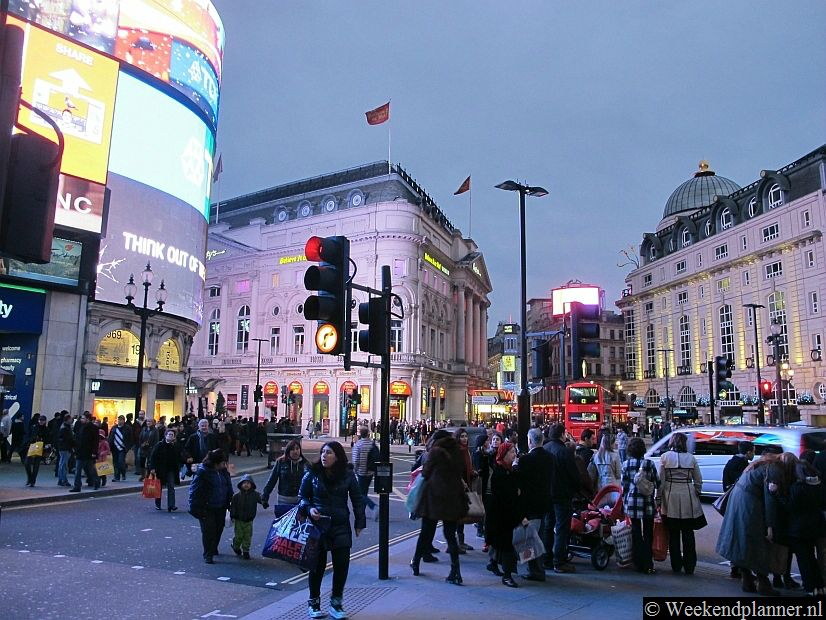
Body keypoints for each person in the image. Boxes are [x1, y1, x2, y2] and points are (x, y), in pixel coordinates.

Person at [299, 441, 365, 619]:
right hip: (318, 526)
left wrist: (360, 522)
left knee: (341, 565)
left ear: (337, 456)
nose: (324, 456)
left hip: (340, 525)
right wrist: (309, 508)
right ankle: (313, 603)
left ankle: (336, 604)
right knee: (317, 567)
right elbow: (303, 497)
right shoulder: (312, 473)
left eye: (328, 452)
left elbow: (358, 499)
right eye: (322, 452)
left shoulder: (348, 475)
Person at [717, 452, 794, 595]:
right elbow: (770, 500)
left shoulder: (762, 463)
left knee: (741, 541)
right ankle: (763, 583)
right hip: (750, 505)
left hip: (738, 502)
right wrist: (770, 526)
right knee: (756, 543)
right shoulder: (775, 470)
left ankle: (747, 580)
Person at [410, 429, 468, 586]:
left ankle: (415, 562)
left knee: (426, 532)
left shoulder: (435, 452)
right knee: (450, 535)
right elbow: (461, 471)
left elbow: (426, 473)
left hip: (434, 498)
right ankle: (455, 571)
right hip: (453, 498)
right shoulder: (458, 451)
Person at [659, 432, 704, 575]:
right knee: (688, 533)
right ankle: (690, 565)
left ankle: (676, 564)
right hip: (687, 495)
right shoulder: (691, 458)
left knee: (673, 534)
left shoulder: (665, 457)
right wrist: (696, 491)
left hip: (670, 495)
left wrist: (658, 499)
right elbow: (698, 479)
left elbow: (661, 481)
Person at [783, 454, 826, 596]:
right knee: (812, 557)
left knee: (804, 559)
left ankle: (810, 587)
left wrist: (777, 494)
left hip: (799, 528)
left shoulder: (797, 487)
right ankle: (819, 586)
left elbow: (790, 507)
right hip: (816, 525)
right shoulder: (820, 485)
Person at [514, 427, 553, 582]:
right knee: (541, 536)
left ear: (530, 441)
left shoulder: (525, 460)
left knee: (529, 539)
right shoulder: (550, 457)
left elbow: (520, 481)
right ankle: (539, 567)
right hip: (545, 502)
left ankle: (535, 570)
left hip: (530, 505)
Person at [542, 423, 581, 573]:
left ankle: (546, 559)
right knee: (562, 528)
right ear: (562, 435)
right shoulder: (564, 452)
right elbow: (574, 475)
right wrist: (576, 488)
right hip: (562, 495)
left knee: (547, 526)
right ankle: (559, 561)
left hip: (547, 494)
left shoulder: (545, 449)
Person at [621, 436, 659, 574]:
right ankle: (648, 563)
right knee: (648, 533)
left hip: (632, 502)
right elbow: (656, 483)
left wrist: (624, 501)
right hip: (647, 502)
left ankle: (638, 562)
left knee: (636, 532)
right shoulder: (649, 464)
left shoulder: (626, 464)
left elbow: (624, 485)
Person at [487, 441, 523, 587]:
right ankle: (507, 575)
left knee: (500, 543)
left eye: (514, 451)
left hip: (505, 515)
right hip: (501, 515)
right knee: (507, 545)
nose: (514, 454)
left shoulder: (509, 469)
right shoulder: (500, 472)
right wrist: (515, 492)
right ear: (504, 454)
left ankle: (493, 563)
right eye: (512, 452)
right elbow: (505, 495)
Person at [189, 449, 233, 564]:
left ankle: (213, 547)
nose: (225, 465)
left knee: (219, 528)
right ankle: (208, 553)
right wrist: (194, 507)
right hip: (206, 507)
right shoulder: (203, 472)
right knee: (209, 531)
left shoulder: (223, 472)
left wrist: (230, 501)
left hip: (221, 505)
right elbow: (194, 491)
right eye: (223, 463)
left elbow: (228, 486)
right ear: (215, 463)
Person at [261, 439, 310, 510]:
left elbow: (311, 483)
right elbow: (272, 480)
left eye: (297, 449)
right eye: (292, 449)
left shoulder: (306, 464)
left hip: (300, 500)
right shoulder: (281, 462)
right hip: (284, 499)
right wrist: (265, 496)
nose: (295, 451)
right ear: (288, 451)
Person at [453, 427, 476, 553]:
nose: (465, 439)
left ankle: (460, 542)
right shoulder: (457, 451)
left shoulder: (466, 450)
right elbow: (455, 470)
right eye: (462, 436)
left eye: (466, 436)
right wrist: (462, 482)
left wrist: (472, 473)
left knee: (462, 515)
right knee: (458, 516)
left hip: (466, 485)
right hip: (458, 488)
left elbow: (467, 468)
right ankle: (456, 543)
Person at [230, 474, 263, 560]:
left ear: (252, 484)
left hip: (249, 520)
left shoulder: (255, 495)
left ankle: (246, 551)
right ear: (240, 484)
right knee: (239, 536)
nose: (246, 485)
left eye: (248, 483)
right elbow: (233, 507)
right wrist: (232, 516)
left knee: (247, 536)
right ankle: (236, 546)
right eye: (244, 483)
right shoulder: (236, 496)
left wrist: (264, 502)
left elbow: (262, 500)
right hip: (239, 519)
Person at [149, 428, 183, 512]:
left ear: (174, 437)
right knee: (158, 487)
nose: (170, 436)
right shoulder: (159, 445)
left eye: (172, 435)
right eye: (169, 434)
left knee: (171, 487)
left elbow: (179, 457)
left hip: (171, 470)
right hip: (160, 469)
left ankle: (171, 505)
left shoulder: (175, 446)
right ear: (165, 435)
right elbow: (153, 457)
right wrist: (152, 468)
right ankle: (158, 504)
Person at [351, 427, 379, 521]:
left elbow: (355, 460)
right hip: (371, 471)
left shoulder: (358, 445)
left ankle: (373, 506)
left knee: (360, 494)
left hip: (361, 472)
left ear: (360, 434)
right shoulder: (372, 444)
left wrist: (354, 470)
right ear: (368, 434)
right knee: (364, 492)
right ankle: (361, 512)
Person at [588, 433, 622, 502]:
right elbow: (618, 474)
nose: (615, 444)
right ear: (610, 443)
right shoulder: (615, 456)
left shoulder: (596, 456)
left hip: (600, 487)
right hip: (613, 487)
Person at [69, 412, 99, 492]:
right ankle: (77, 486)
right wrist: (75, 449)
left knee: (91, 470)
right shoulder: (80, 426)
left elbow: (95, 441)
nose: (81, 420)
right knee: (78, 470)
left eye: (83, 418)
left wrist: (94, 452)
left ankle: (96, 482)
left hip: (89, 452)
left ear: (88, 419)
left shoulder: (94, 428)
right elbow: (78, 439)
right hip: (80, 452)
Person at [24, 415, 51, 487]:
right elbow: (30, 435)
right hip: (32, 446)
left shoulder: (46, 429)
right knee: (27, 463)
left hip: (40, 447)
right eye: (40, 420)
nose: (41, 422)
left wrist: (45, 444)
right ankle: (30, 478)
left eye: (42, 420)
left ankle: (32, 480)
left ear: (45, 421)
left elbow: (48, 439)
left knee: (36, 465)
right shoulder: (34, 427)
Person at [108, 415, 133, 481]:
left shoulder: (127, 428)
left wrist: (128, 446)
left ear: (124, 421)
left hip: (123, 448)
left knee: (121, 462)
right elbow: (110, 437)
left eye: (121, 420)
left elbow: (131, 438)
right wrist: (109, 446)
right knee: (115, 462)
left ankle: (123, 473)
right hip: (114, 447)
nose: (120, 421)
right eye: (119, 420)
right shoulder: (114, 428)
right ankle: (116, 476)